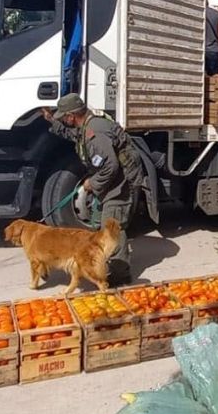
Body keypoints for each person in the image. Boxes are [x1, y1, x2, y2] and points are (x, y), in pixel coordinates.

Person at [42, 93, 145, 286]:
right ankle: (108, 264)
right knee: (101, 223)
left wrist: (92, 182)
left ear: (71, 116)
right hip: (112, 181)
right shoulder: (85, 126)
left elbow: (110, 166)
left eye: (63, 118)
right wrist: (52, 122)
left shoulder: (94, 133)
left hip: (121, 183)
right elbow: (73, 135)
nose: (64, 121)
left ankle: (120, 275)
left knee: (112, 228)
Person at [204, 2, 218, 76]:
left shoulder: (197, 12)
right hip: (214, 50)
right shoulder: (217, 14)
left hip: (200, 50)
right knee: (214, 78)